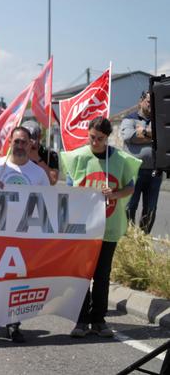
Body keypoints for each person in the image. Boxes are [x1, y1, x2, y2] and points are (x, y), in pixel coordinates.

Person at [62, 117, 141, 338]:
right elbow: (70, 188)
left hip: (109, 226)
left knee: (102, 274)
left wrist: (114, 194)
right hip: (83, 228)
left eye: (100, 139)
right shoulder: (79, 157)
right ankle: (81, 321)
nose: (95, 142)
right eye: (92, 137)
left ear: (108, 138)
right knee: (82, 275)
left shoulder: (118, 160)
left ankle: (98, 319)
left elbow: (130, 187)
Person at [0, 126, 50, 346]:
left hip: (23, 237)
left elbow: (48, 203)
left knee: (18, 282)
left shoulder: (38, 173)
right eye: (16, 141)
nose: (19, 146)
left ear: (31, 144)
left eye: (24, 142)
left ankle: (14, 325)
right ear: (10, 141)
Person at [121, 91, 163, 233]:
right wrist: (153, 136)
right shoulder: (130, 119)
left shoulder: (161, 121)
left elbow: (164, 139)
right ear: (141, 101)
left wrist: (143, 132)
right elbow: (129, 136)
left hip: (154, 172)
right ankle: (130, 237)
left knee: (150, 208)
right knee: (130, 206)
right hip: (133, 171)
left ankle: (143, 239)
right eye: (149, 102)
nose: (152, 105)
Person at [21, 120, 59, 185]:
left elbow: (53, 181)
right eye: (25, 140)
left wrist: (37, 158)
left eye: (32, 139)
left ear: (39, 137)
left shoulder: (50, 155)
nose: (30, 144)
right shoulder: (18, 153)